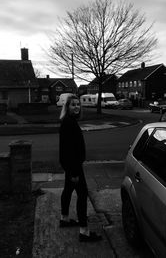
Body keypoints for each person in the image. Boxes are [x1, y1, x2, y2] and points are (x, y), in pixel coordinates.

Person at [59, 94, 102, 242]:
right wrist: (74, 172)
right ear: (67, 107)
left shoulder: (68, 121)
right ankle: (84, 232)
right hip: (74, 167)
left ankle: (64, 218)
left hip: (71, 167)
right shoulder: (69, 123)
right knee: (82, 196)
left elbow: (65, 151)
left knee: (68, 190)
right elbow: (69, 150)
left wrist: (69, 169)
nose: (76, 106)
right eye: (73, 104)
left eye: (78, 104)